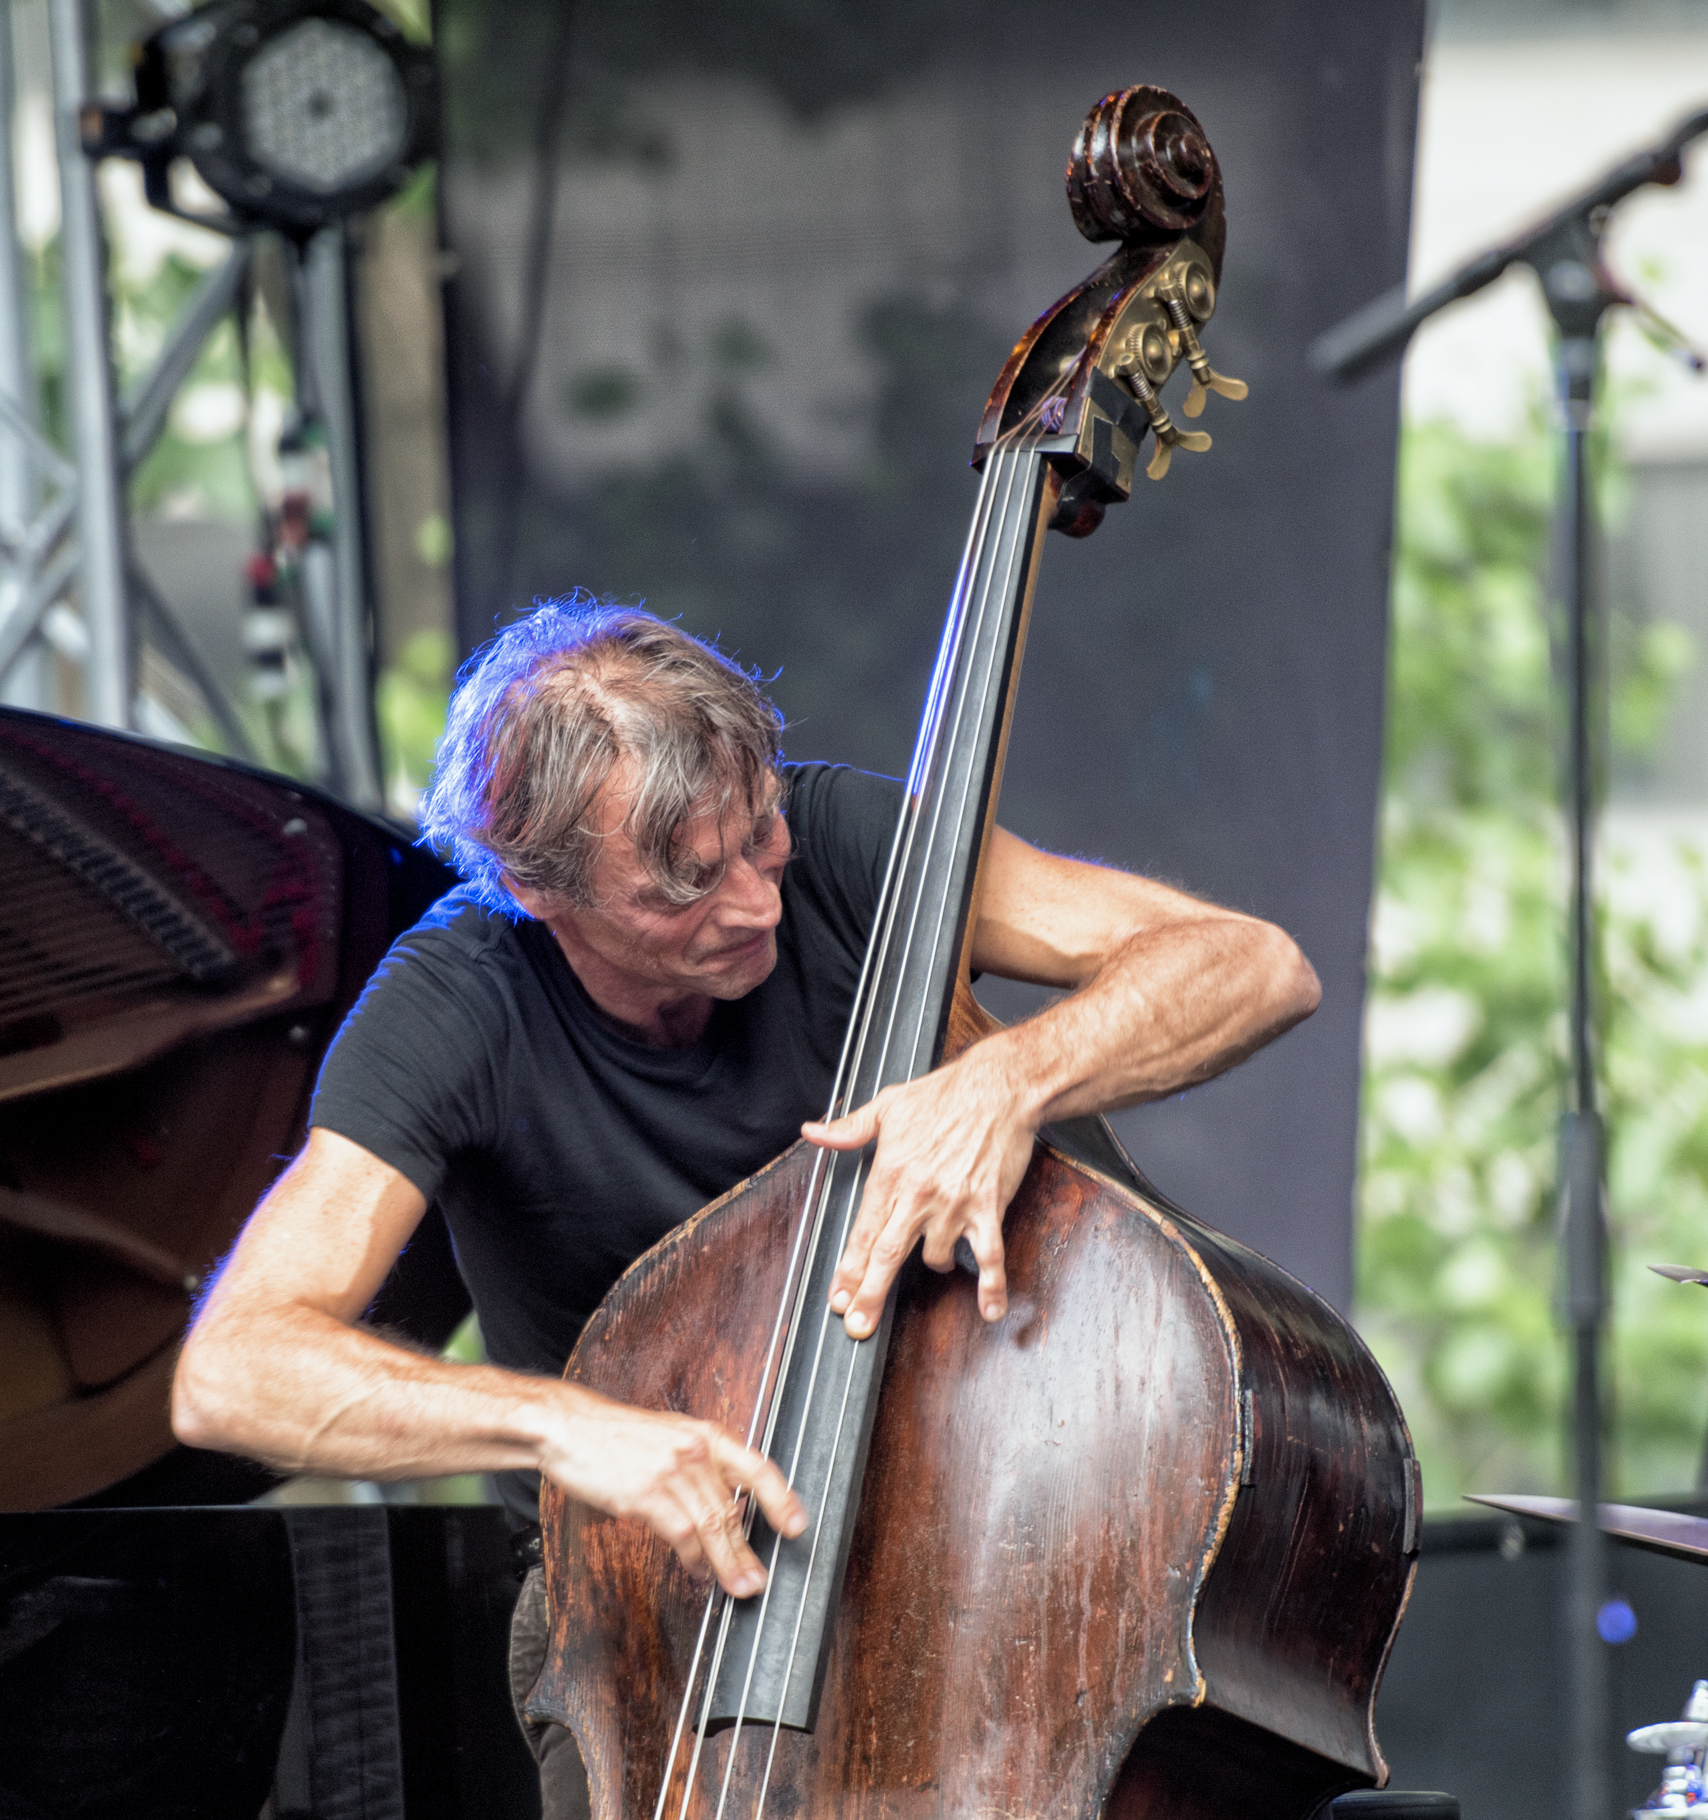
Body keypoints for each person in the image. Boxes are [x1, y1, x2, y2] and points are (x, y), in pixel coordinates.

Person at [172, 597, 1321, 1817]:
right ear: (532, 886)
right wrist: (572, 1428)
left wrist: (1010, 1075)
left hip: (1000, 1555)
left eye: (756, 839)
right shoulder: (457, 1002)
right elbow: (233, 1368)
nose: (756, 904)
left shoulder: (838, 838)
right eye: (682, 886)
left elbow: (1257, 965)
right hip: (659, 1617)